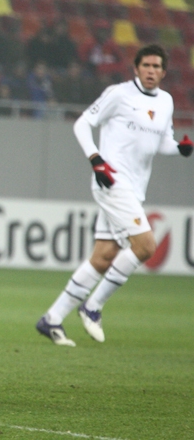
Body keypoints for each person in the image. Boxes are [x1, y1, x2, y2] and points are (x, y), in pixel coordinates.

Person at [36, 44, 193, 346]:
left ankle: (52, 319)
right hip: (112, 180)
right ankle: (92, 307)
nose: (151, 71)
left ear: (164, 71)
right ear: (136, 68)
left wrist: (180, 148)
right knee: (145, 246)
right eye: (146, 65)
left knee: (104, 256)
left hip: (135, 188)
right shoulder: (119, 94)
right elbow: (83, 123)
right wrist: (96, 160)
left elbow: (163, 142)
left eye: (156, 66)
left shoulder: (166, 101)